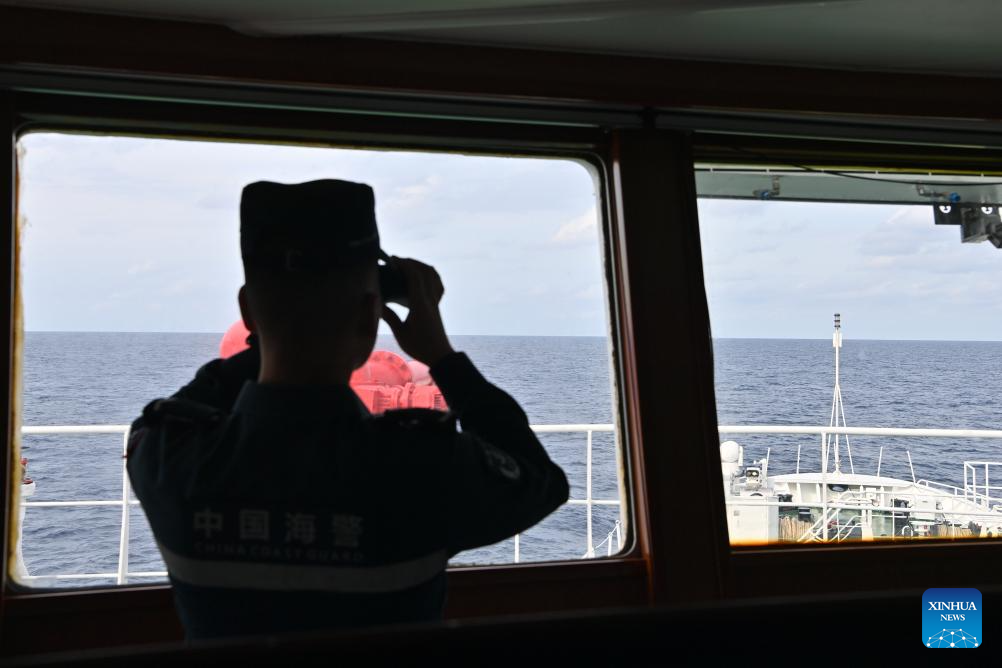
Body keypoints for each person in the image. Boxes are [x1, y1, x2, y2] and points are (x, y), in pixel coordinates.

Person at [126, 179, 569, 640]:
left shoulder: (166, 458)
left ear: (247, 312)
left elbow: (183, 406)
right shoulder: (427, 467)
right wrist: (440, 355)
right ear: (370, 314)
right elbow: (540, 479)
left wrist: (276, 331)